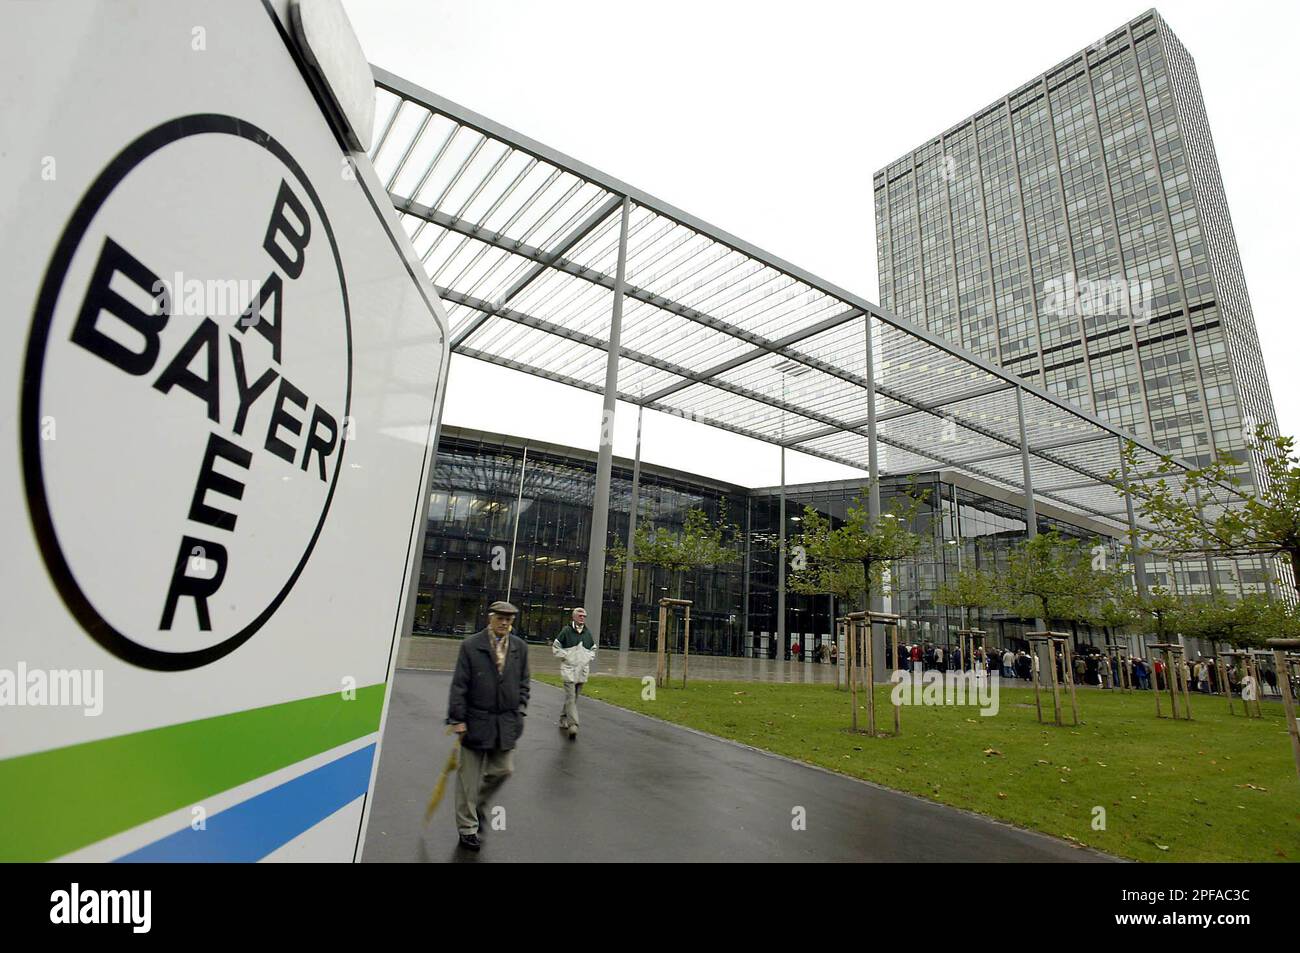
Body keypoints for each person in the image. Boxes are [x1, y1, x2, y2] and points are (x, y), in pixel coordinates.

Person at [447, 600, 530, 852]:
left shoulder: (519, 647)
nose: (504, 623)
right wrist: (457, 720)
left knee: (503, 770)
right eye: (500, 618)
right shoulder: (471, 646)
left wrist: (521, 711)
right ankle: (467, 829)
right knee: (468, 781)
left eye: (509, 619)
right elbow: (459, 685)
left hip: (506, 722)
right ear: (490, 618)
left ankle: (478, 805)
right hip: (474, 721)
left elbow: (524, 683)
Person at [552, 607, 597, 740]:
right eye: (580, 615)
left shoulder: (587, 633)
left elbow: (593, 649)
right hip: (569, 671)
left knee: (574, 698)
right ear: (574, 617)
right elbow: (556, 647)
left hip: (582, 671)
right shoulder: (566, 631)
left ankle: (563, 718)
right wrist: (566, 657)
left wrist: (588, 658)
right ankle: (573, 725)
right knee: (571, 697)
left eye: (584, 616)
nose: (582, 618)